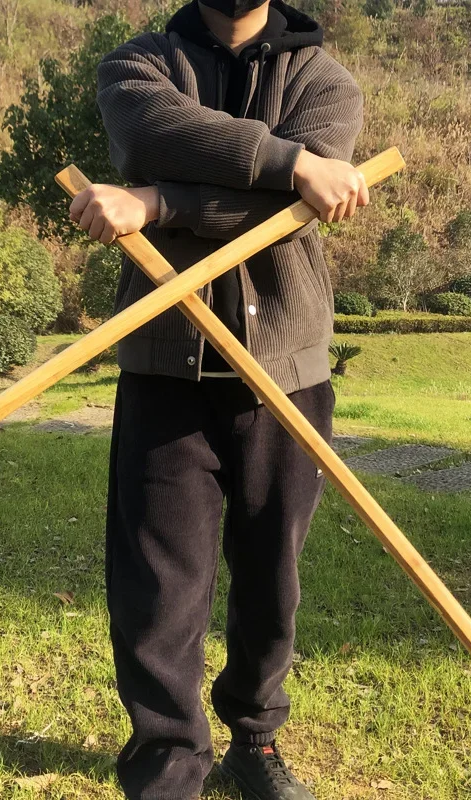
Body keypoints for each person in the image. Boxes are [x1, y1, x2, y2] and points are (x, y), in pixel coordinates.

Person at [69, 1, 367, 797]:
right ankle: (168, 761)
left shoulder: (325, 80)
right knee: (159, 584)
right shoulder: (139, 63)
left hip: (287, 373)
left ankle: (255, 740)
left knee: (273, 573)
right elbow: (148, 133)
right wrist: (290, 162)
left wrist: (161, 203)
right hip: (166, 364)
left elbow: (290, 218)